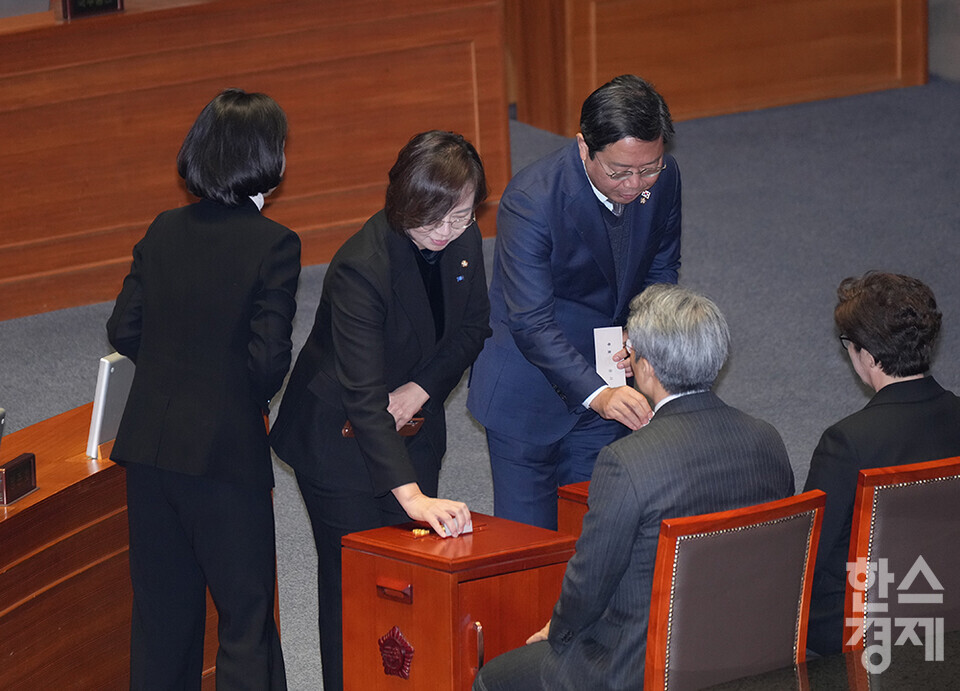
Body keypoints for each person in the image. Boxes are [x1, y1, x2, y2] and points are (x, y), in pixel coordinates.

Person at [473, 284, 794, 690]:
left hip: (638, 666)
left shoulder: (628, 461)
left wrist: (558, 633)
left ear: (647, 369)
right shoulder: (768, 439)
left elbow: (589, 584)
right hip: (747, 649)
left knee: (492, 680)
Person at [269, 130, 490, 691]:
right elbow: (364, 399)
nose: (446, 233)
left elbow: (472, 329)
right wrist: (412, 494)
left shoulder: (463, 237)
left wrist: (422, 386)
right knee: (355, 594)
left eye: (461, 216)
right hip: (337, 443)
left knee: (410, 586)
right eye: (433, 219)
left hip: (412, 425)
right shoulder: (361, 268)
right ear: (402, 204)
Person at [107, 88, 299, 689]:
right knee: (245, 621)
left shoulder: (163, 228)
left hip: (149, 452)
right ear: (267, 159)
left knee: (163, 621)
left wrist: (175, 369)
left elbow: (123, 328)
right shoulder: (274, 243)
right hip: (224, 459)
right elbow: (268, 362)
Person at [467, 74, 682, 529]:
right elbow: (530, 321)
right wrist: (596, 393)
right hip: (528, 395)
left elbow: (662, 267)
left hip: (612, 382)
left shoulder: (662, 180)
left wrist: (640, 330)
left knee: (595, 539)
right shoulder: (532, 200)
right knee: (530, 551)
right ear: (584, 147)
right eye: (619, 171)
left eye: (649, 168)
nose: (635, 184)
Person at [803, 271, 960, 656]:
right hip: (947, 607)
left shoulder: (847, 442)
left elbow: (808, 556)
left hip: (861, 628)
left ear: (869, 357)